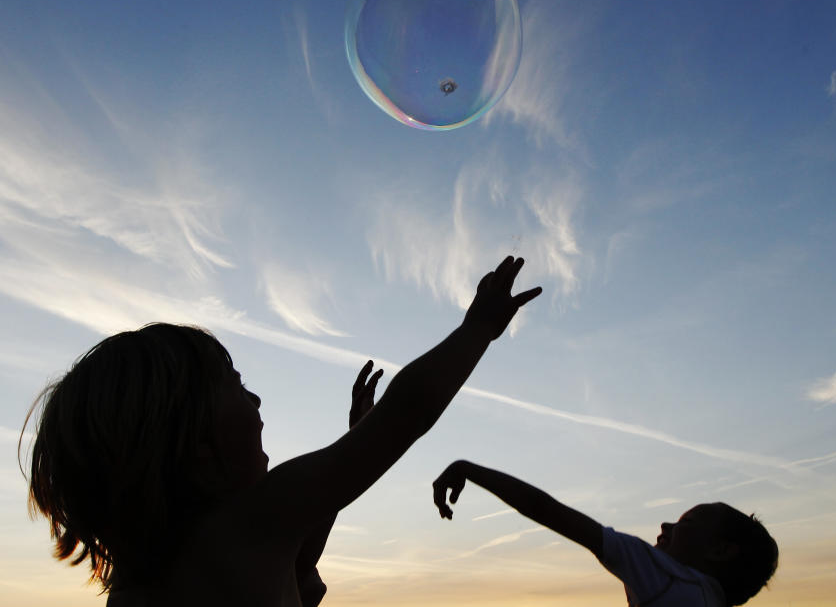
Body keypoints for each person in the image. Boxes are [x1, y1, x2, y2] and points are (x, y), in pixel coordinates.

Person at [20, 256, 541, 606]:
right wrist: (478, 328)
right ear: (193, 441)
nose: (257, 399)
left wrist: (356, 434)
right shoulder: (246, 525)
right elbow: (409, 410)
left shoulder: (140, 582)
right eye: (235, 385)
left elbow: (302, 549)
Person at [432, 460, 778, 607]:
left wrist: (469, 469)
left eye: (686, 522)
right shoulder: (706, 597)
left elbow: (545, 509)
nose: (666, 526)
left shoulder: (665, 576)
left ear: (719, 551)